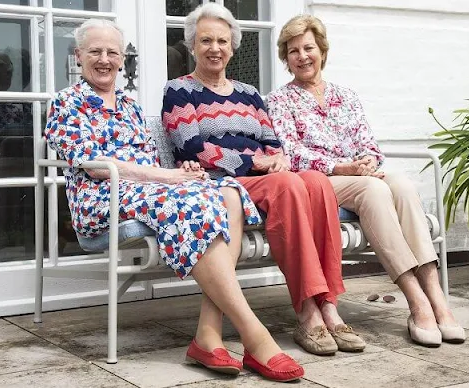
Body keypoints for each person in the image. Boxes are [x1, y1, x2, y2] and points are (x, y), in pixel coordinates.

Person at [44, 19, 303, 382]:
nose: (104, 60)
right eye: (95, 52)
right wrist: (171, 177)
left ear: (121, 60)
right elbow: (99, 168)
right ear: (78, 57)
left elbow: (151, 161)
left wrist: (184, 173)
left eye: (112, 53)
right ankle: (254, 335)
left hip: (147, 191)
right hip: (103, 197)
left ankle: (208, 335)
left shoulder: (129, 105)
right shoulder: (67, 102)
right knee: (192, 201)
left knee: (227, 192)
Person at [162, 3, 367, 359]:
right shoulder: (180, 90)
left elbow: (272, 142)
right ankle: (307, 312)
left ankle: (329, 304)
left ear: (233, 46)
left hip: (259, 180)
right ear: (192, 45)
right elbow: (192, 148)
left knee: (316, 181)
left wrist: (276, 158)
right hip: (216, 184)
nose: (215, 48)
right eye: (205, 40)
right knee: (287, 185)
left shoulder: (249, 93)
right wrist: (253, 161)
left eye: (222, 41)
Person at [267, 15, 466, 347]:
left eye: (309, 48)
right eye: (293, 51)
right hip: (320, 181)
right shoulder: (279, 101)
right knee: (374, 189)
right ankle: (416, 301)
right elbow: (291, 153)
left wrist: (369, 159)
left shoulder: (346, 95)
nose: (302, 56)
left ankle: (437, 297)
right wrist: (342, 167)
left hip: (358, 174)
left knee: (401, 184)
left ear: (322, 51)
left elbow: (367, 141)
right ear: (286, 59)